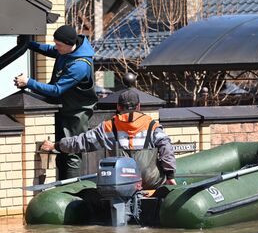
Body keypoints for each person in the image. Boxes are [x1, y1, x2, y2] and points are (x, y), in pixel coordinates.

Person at [40, 88, 177, 189]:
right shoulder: (153, 126)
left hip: (121, 181)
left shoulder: (109, 126)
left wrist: (56, 146)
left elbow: (82, 142)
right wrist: (170, 176)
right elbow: (167, 149)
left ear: (118, 107)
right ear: (139, 106)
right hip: (150, 181)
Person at [14, 25, 98, 180]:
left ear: (69, 45)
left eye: (59, 45)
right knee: (58, 149)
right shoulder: (66, 50)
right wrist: (29, 44)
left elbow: (57, 90)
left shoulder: (80, 65)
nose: (56, 47)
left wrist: (28, 82)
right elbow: (49, 50)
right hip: (62, 108)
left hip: (75, 114)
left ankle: (71, 192)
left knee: (71, 152)